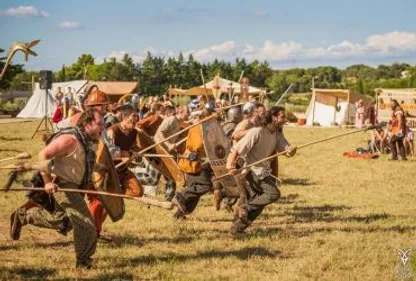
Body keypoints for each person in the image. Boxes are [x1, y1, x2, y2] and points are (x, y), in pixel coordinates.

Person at [10, 107, 104, 268]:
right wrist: (47, 182)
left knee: (63, 222)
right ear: (87, 123)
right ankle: (84, 261)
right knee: (86, 224)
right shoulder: (70, 139)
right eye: (99, 124)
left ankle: (24, 216)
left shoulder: (89, 140)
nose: (102, 127)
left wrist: (101, 167)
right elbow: (43, 155)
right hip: (63, 185)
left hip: (76, 187)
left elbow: (79, 162)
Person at [226, 106, 296, 234]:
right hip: (251, 171)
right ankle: (246, 208)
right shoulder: (256, 131)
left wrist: (291, 149)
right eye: (282, 116)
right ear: (273, 117)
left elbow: (285, 149)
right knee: (272, 194)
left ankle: (237, 228)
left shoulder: (277, 133)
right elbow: (237, 149)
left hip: (262, 171)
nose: (284, 119)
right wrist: (231, 165)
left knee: (259, 201)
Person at [172, 106, 216, 219]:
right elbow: (197, 146)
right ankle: (180, 196)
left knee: (194, 193)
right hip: (194, 162)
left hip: (201, 163)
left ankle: (179, 214)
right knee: (205, 186)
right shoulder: (198, 128)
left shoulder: (206, 128)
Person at [107, 104, 144, 198]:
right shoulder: (113, 131)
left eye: (137, 116)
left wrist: (137, 155)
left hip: (122, 169)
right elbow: (111, 153)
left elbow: (133, 149)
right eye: (133, 116)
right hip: (109, 170)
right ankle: (112, 191)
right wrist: (129, 154)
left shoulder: (134, 133)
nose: (136, 119)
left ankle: (116, 192)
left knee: (137, 192)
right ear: (124, 117)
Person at [154, 105, 181, 201]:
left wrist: (172, 147)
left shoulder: (176, 121)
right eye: (186, 112)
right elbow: (160, 132)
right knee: (153, 178)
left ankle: (168, 198)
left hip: (166, 151)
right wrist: (169, 144)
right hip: (159, 149)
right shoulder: (171, 119)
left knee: (169, 174)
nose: (189, 114)